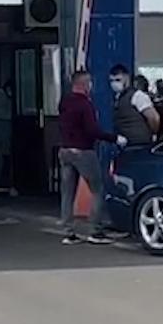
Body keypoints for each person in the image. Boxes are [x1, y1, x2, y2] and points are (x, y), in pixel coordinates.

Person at [58, 71, 126, 245]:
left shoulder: (65, 102)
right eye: (89, 82)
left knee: (67, 192)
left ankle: (68, 232)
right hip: (83, 152)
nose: (91, 86)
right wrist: (114, 138)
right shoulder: (85, 105)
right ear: (83, 84)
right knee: (97, 190)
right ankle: (95, 231)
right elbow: (92, 130)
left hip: (65, 151)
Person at [110, 64, 159, 146]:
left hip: (140, 144)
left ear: (127, 78)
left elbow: (154, 118)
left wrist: (153, 133)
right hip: (127, 145)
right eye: (111, 80)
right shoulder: (119, 97)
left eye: (118, 80)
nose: (114, 83)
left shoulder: (138, 96)